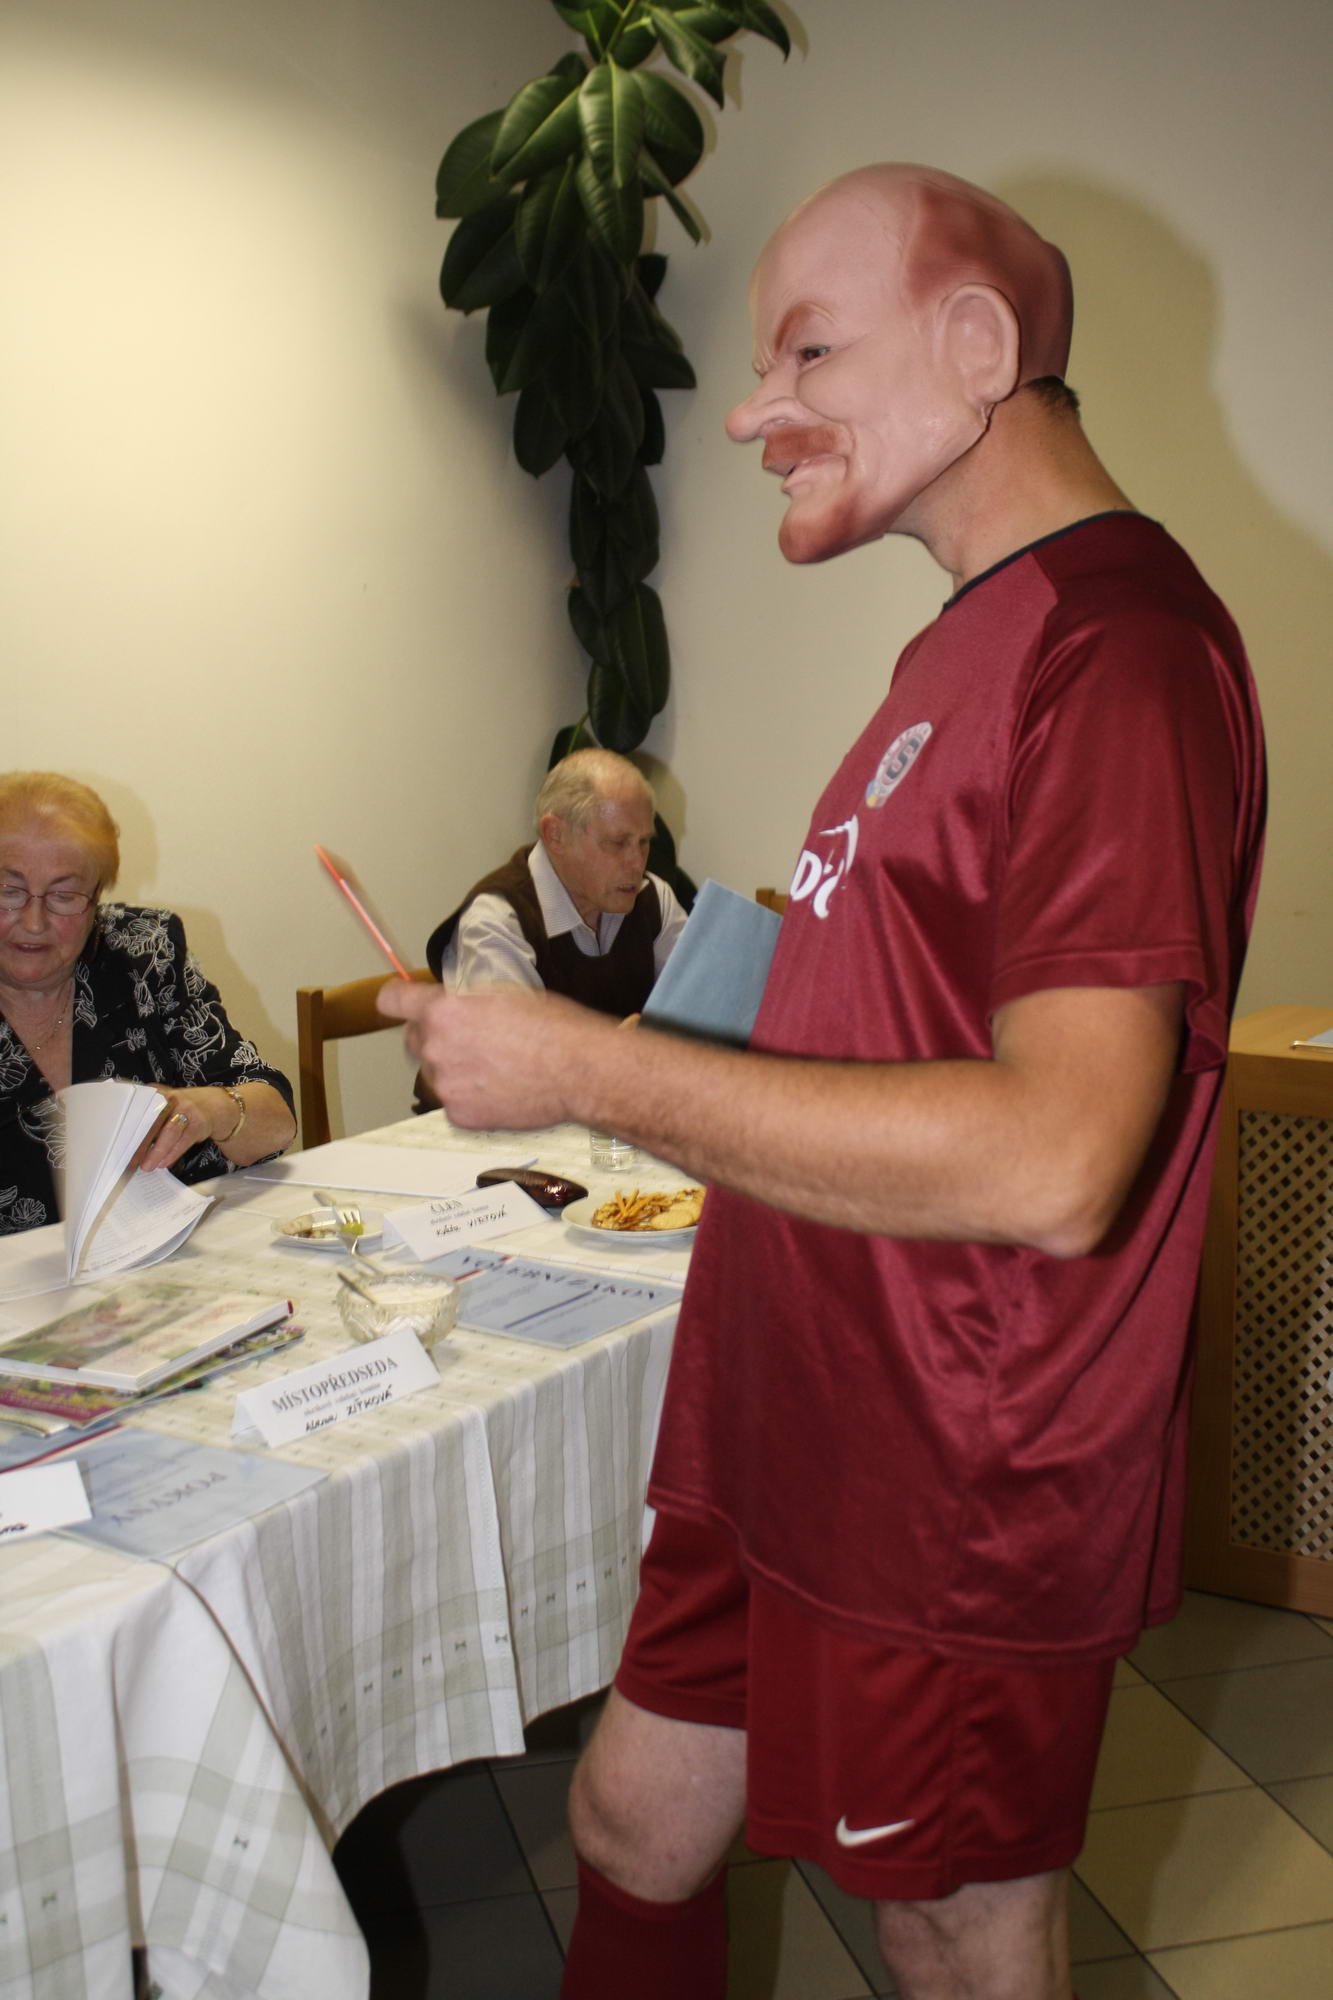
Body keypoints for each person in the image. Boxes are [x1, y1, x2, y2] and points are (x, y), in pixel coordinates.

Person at [382, 163, 1266, 2000]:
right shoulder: (960, 639)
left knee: (950, 1925)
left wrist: (590, 1065)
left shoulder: (1120, 646)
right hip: (788, 1398)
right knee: (632, 1823)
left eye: (805, 352)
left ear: (975, 346)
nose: (753, 412)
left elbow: (1055, 1159)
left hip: (948, 1464)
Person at [0, 772, 296, 1233]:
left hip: (184, 1256)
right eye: (8, 891)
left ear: (96, 897)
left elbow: (276, 1120)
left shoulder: (144, 952)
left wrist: (210, 1109)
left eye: (64, 895)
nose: (34, 922)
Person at [426, 748, 687, 1014]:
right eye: (617, 843)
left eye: (644, 842)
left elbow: (701, 1005)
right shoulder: (498, 924)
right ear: (555, 835)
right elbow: (517, 1040)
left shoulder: (653, 899)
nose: (637, 863)